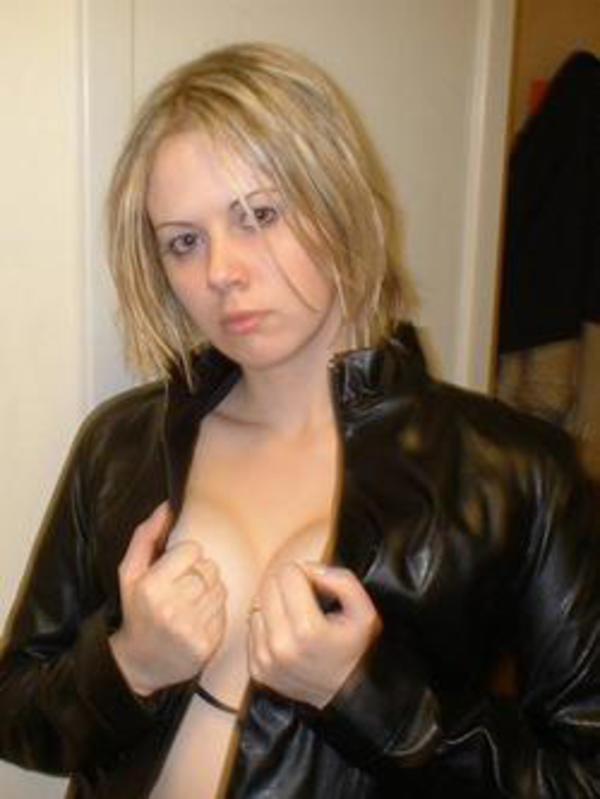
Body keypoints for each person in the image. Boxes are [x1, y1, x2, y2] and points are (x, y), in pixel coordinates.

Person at [1, 41, 600, 799]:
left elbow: (581, 776)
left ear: (338, 200)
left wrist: (371, 699)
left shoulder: (518, 473)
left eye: (259, 215)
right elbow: (15, 709)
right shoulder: (120, 443)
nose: (221, 271)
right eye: (184, 241)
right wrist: (129, 664)